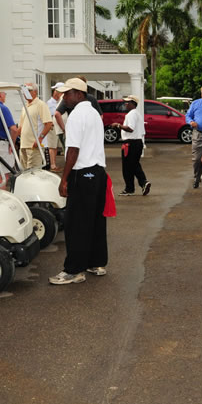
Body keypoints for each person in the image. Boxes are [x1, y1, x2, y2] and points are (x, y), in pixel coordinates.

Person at [49, 78, 109, 285]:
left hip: (82, 173)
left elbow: (73, 150)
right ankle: (96, 262)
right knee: (95, 220)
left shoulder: (75, 116)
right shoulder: (94, 113)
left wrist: (63, 179)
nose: (64, 97)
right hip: (98, 172)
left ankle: (74, 270)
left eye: (68, 93)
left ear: (79, 94)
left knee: (76, 223)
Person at [112, 95, 151, 196]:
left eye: (127, 102)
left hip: (131, 143)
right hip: (137, 142)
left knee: (128, 167)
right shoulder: (136, 114)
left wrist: (118, 125)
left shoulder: (131, 114)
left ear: (133, 104)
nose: (125, 104)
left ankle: (133, 187)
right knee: (134, 165)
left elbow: (130, 128)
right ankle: (141, 184)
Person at [17, 83, 53, 170]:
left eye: (28, 90)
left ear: (35, 92)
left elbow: (48, 124)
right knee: (24, 174)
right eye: (24, 90)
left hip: (34, 146)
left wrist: (40, 139)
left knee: (34, 174)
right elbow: (20, 127)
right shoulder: (25, 106)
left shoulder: (41, 104)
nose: (25, 92)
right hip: (23, 146)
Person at [45, 82, 63, 171]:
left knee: (57, 147)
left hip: (59, 126)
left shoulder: (61, 102)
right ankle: (53, 165)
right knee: (52, 146)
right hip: (52, 127)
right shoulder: (49, 103)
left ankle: (54, 164)